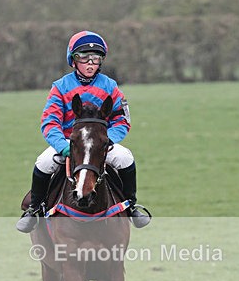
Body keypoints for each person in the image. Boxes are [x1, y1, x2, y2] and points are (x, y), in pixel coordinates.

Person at [16, 30, 151, 232]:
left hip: (101, 143)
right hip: (69, 143)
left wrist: (108, 140)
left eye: (95, 58)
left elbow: (122, 119)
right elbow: (50, 122)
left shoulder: (110, 86)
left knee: (125, 158)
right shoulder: (60, 87)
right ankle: (34, 209)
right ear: (73, 60)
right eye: (84, 58)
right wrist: (62, 146)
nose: (90, 63)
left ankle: (130, 206)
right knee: (43, 162)